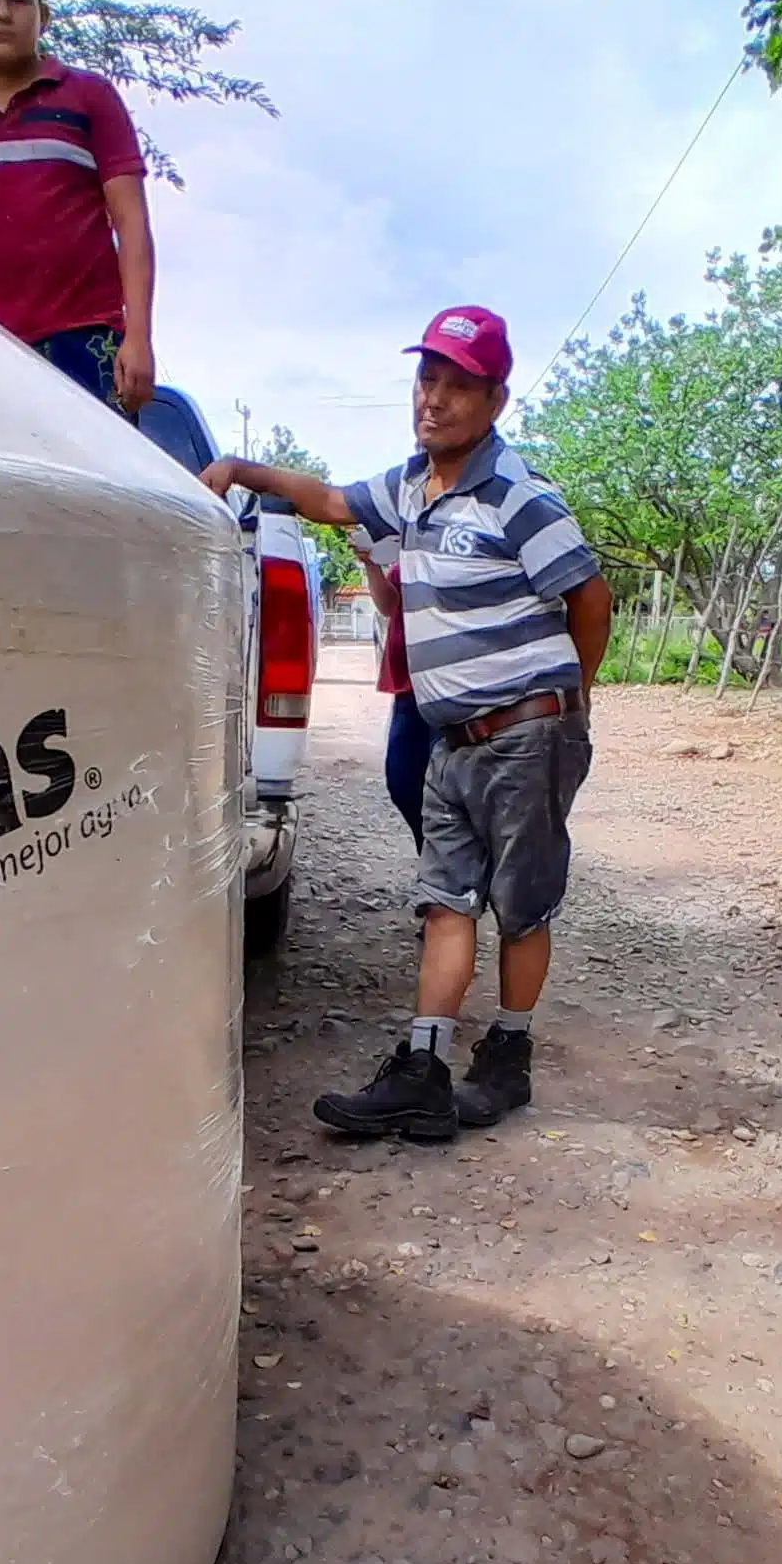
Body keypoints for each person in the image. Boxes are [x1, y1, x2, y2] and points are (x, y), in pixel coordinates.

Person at [199, 306, 613, 1139]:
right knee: (444, 900)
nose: (435, 399)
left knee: (520, 904)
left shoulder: (519, 495)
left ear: (495, 400)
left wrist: (574, 699)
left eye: (458, 386)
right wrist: (243, 468)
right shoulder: (408, 489)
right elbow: (326, 498)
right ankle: (422, 1068)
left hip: (527, 731)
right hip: (451, 736)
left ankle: (507, 1057)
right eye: (427, 379)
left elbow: (589, 598)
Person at [0, 0, 157, 413]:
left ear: (43, 16)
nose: (3, 13)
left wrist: (138, 336)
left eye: (19, 0)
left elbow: (132, 221)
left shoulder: (90, 97)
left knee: (96, 480)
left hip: (90, 339)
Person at [360, 532, 434, 849]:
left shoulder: (456, 557)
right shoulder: (404, 559)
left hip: (447, 686)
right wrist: (370, 565)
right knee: (402, 778)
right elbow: (389, 605)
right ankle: (431, 849)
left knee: (448, 782)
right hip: (409, 689)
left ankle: (454, 867)